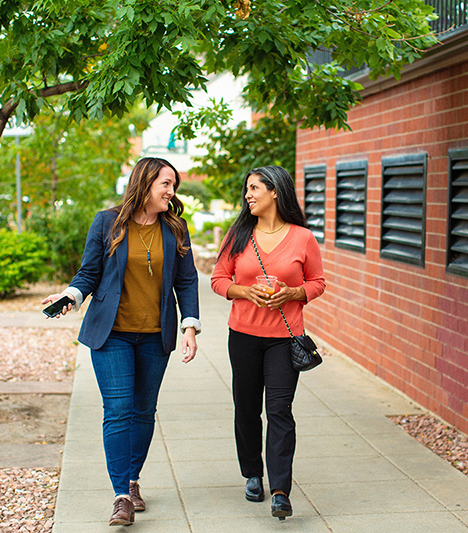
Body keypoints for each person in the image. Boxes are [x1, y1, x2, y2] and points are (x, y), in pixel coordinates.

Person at [41, 157, 201, 526]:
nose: (171, 191)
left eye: (173, 185)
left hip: (155, 335)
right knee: (118, 410)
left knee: (144, 412)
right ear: (145, 183)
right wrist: (70, 297)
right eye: (166, 184)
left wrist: (189, 326)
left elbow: (188, 281)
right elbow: (89, 272)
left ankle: (133, 479)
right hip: (111, 334)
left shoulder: (175, 228)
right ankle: (121, 496)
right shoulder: (107, 222)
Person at [211, 165, 325, 520]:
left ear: (276, 191)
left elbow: (318, 281)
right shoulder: (239, 235)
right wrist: (245, 291)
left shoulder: (303, 238)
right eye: (247, 189)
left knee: (279, 410)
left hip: (283, 339)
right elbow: (218, 279)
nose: (248, 195)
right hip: (243, 335)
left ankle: (280, 490)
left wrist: (294, 292)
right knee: (246, 408)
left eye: (255, 188)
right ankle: (252, 474)